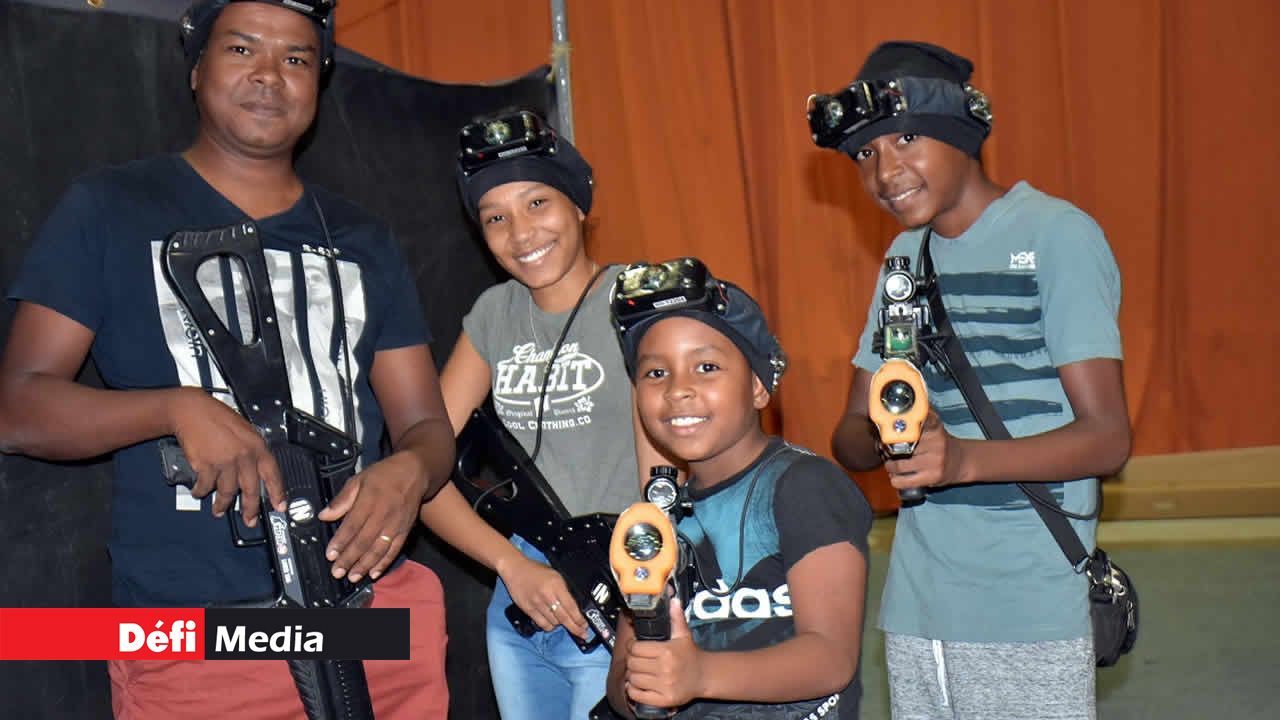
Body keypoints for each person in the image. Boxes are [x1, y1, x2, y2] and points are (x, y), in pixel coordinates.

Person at [0, 1, 452, 717]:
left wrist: (411, 470)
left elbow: (426, 423)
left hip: (376, 616)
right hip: (200, 633)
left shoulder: (364, 239)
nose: (270, 75)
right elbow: (18, 408)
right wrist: (174, 407)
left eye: (297, 58)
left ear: (320, 80)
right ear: (196, 67)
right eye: (242, 50)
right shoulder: (111, 208)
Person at [818, 41, 1131, 719]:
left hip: (1028, 599)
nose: (884, 170)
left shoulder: (1057, 235)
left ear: (961, 134)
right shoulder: (906, 256)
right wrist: (885, 437)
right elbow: (849, 433)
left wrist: (960, 460)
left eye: (904, 139)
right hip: (919, 600)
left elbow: (1107, 439)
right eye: (865, 154)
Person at [417, 109, 672, 719]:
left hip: (626, 589)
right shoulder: (493, 316)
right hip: (524, 599)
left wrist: (645, 610)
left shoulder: (637, 302)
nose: (521, 232)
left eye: (537, 203)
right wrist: (509, 564)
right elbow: (420, 467)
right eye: (495, 218)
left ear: (579, 205)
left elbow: (667, 482)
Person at [605, 260, 872, 719]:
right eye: (655, 374)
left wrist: (699, 675)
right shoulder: (654, 519)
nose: (678, 390)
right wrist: (647, 687)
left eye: (705, 367)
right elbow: (620, 682)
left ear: (758, 386)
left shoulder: (803, 485)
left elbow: (831, 657)